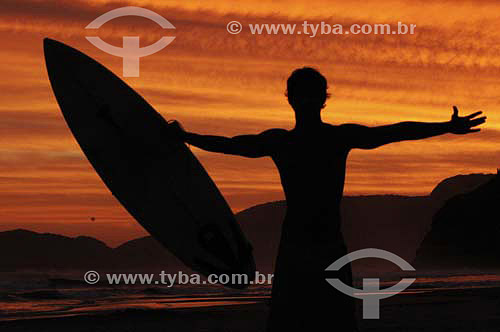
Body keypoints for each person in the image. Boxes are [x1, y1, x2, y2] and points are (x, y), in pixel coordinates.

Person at [169, 67, 486, 331]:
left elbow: (393, 131)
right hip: (303, 244)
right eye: (301, 94)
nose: (305, 100)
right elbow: (232, 144)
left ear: (319, 99)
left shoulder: (321, 138)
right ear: (294, 99)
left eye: (310, 94)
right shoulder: (292, 140)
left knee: (325, 319)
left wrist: (445, 127)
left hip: (321, 243)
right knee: (296, 320)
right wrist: (188, 137)